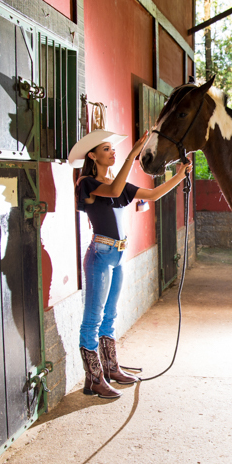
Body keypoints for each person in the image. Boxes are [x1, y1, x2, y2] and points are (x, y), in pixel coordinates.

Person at [68, 129, 192, 398]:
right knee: (93, 319)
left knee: (109, 317)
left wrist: (179, 175)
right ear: (92, 156)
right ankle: (94, 378)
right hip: (100, 254)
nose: (113, 152)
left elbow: (153, 194)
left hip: (119, 255)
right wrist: (132, 155)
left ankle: (110, 369)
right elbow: (112, 190)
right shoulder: (87, 183)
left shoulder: (118, 183)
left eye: (113, 149)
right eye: (107, 150)